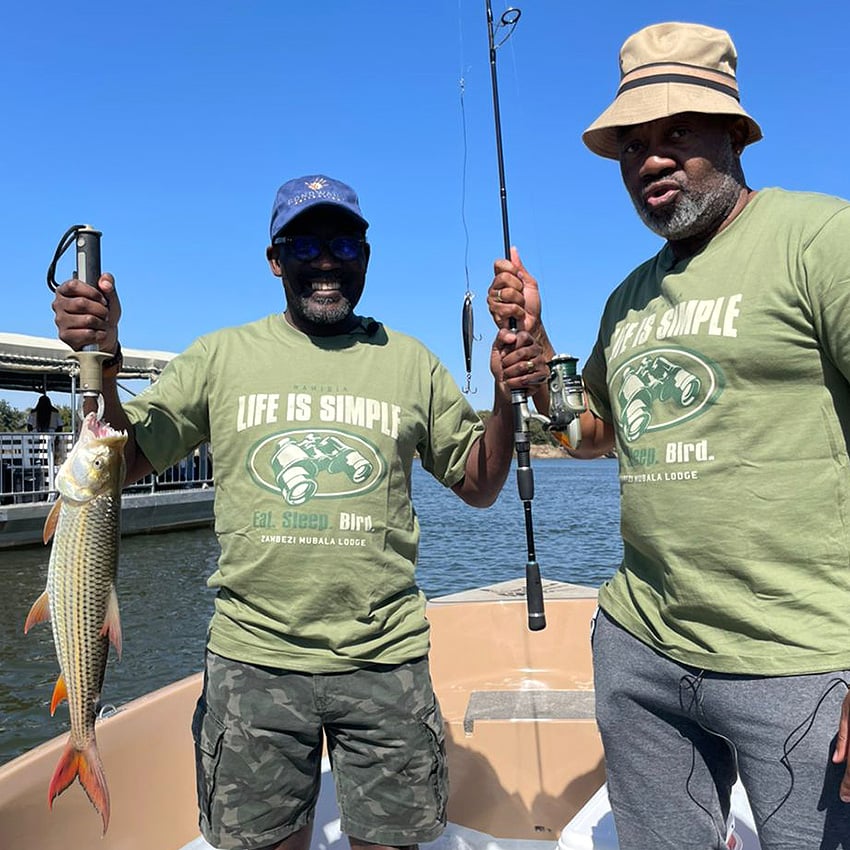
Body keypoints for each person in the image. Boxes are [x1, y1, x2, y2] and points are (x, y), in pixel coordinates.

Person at [52, 174, 547, 850]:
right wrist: (103, 366)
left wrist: (502, 393)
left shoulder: (409, 362)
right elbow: (121, 456)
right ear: (275, 258)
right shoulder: (221, 356)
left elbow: (479, 482)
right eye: (304, 243)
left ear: (366, 255)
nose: (324, 261)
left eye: (342, 242)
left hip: (384, 661)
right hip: (253, 662)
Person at [488, 22, 850, 850]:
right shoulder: (628, 299)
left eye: (676, 132)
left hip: (803, 662)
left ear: (734, 130)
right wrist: (543, 369)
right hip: (641, 648)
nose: (649, 159)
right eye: (632, 144)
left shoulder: (821, 240)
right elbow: (598, 433)